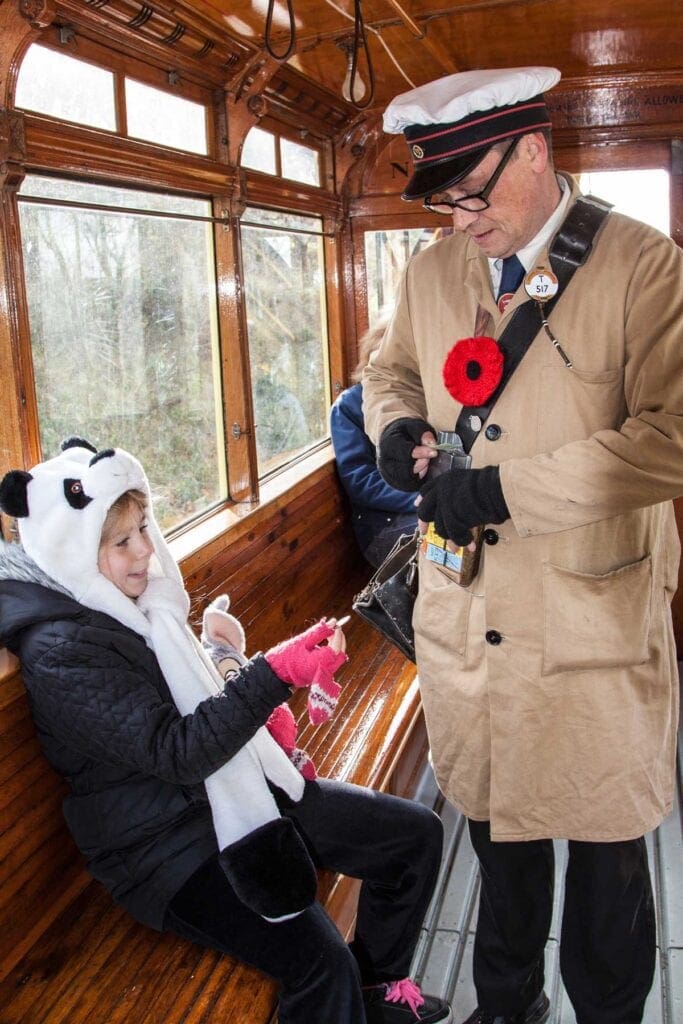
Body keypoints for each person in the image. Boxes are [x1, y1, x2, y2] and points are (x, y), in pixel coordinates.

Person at [362, 65, 683, 1024]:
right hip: (469, 629)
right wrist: (392, 424)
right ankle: (507, 1010)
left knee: (603, 874)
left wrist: (500, 489)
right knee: (498, 854)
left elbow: (669, 438)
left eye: (471, 192)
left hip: (587, 630)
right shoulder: (428, 271)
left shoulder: (643, 265)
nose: (458, 218)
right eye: (442, 198)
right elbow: (387, 367)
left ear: (533, 151)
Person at [0, 438, 452, 1024]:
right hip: (163, 848)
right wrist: (274, 673)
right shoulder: (64, 650)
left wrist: (240, 665)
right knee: (319, 964)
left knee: (413, 838)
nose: (144, 551)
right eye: (120, 541)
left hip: (232, 789)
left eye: (143, 527)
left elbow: (199, 694)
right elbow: (179, 750)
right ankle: (346, 996)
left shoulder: (137, 603)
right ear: (74, 553)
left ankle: (374, 993)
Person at [330, 319, 417, 567]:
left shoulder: (417, 399)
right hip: (385, 527)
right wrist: (421, 499)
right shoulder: (348, 407)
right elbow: (361, 481)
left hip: (427, 512)